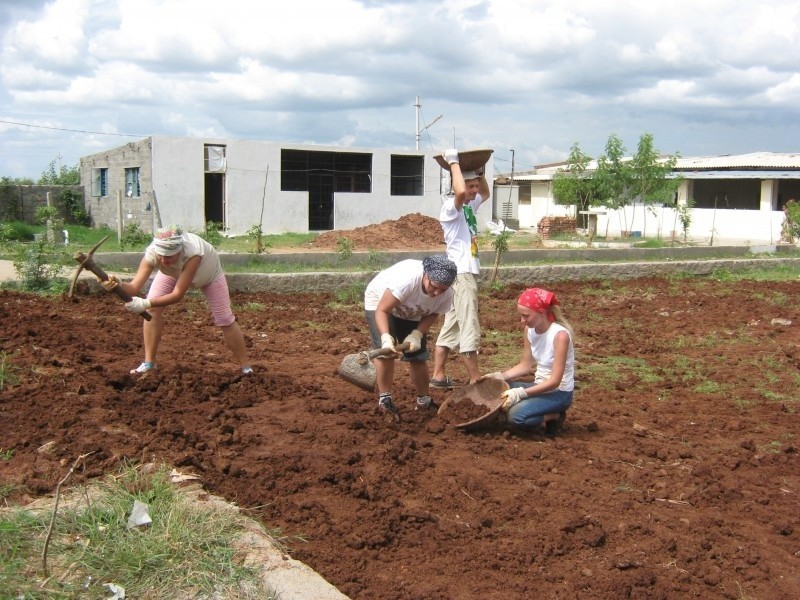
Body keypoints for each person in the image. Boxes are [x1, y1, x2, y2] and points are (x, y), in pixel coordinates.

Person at [102, 225, 253, 375]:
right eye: (161, 255)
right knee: (152, 311)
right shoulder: (153, 254)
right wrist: (118, 284)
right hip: (172, 274)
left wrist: (145, 302)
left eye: (169, 256)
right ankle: (149, 363)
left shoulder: (192, 254)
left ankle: (246, 367)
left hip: (209, 275)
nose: (163, 260)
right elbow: (134, 288)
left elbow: (177, 295)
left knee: (225, 318)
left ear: (179, 251)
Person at [364, 254, 458, 420]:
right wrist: (385, 336)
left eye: (442, 289)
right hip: (381, 302)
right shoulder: (406, 281)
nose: (436, 293)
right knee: (387, 353)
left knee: (418, 355)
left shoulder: (447, 293)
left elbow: (433, 313)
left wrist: (416, 334)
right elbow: (382, 310)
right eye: (434, 287)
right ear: (426, 276)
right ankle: (385, 400)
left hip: (413, 310)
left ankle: (424, 400)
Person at [430, 148, 491, 389]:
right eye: (471, 186)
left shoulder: (468, 207)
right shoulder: (450, 208)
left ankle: (437, 375)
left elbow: (485, 192)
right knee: (469, 322)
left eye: (474, 186)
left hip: (463, 273)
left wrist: (479, 172)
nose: (474, 191)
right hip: (462, 273)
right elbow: (461, 191)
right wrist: (453, 162)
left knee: (453, 322)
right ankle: (475, 378)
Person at [481, 287, 574, 434]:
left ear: (541, 312)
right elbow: (525, 365)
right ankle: (534, 407)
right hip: (539, 384)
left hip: (559, 393)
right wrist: (498, 376)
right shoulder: (530, 330)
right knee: (499, 389)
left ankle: (555, 415)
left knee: (516, 416)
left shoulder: (560, 336)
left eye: (526, 316)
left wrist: (521, 393)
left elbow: (555, 381)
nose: (522, 321)